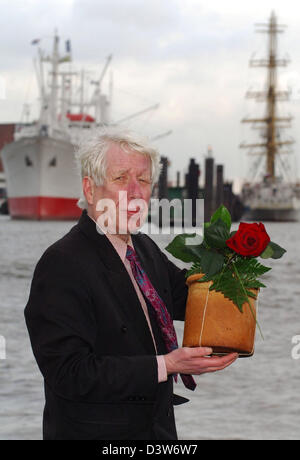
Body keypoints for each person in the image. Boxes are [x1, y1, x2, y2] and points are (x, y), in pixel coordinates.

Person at [24, 128, 238, 440]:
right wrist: (166, 365)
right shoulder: (62, 263)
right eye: (121, 178)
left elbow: (194, 297)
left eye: (145, 180)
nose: (137, 192)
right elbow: (69, 374)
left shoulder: (145, 249)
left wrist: (240, 260)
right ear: (91, 188)